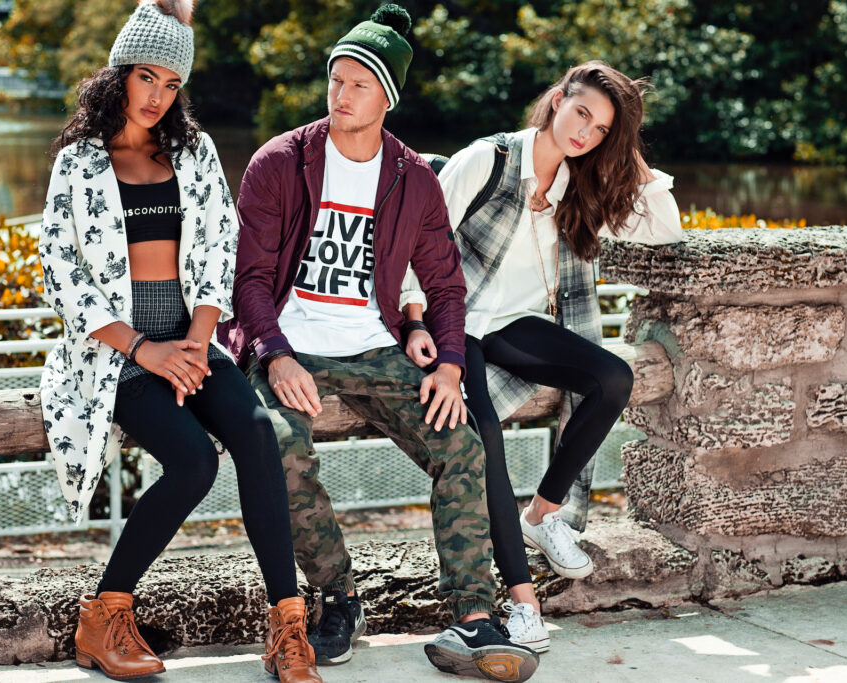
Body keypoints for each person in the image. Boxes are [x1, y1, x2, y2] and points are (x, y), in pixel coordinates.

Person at [220, 4, 539, 682]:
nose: (341, 94)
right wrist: (274, 352)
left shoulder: (412, 178)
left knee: (461, 443)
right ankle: (339, 596)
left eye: (359, 84)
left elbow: (445, 284)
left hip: (375, 345)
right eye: (335, 79)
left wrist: (449, 364)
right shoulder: (279, 162)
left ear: (386, 97)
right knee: (279, 446)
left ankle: (474, 615)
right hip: (291, 342)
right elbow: (248, 278)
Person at [37, 2, 321, 681]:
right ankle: (103, 616)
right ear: (118, 74)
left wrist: (195, 341)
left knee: (259, 431)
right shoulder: (78, 162)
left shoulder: (195, 152)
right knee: (194, 463)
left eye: (171, 84)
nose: (157, 96)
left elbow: (223, 245)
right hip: (118, 353)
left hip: (191, 340)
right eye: (146, 77)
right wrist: (145, 350)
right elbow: (60, 272)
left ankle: (287, 626)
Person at [401, 60, 683, 651]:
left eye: (601, 129)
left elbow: (665, 228)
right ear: (557, 100)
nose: (584, 133)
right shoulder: (488, 159)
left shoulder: (582, 183)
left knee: (612, 377)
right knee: (485, 439)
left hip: (515, 326)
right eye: (581, 113)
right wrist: (416, 319)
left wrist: (626, 153)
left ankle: (543, 512)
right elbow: (418, 240)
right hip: (456, 323)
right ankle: (522, 602)